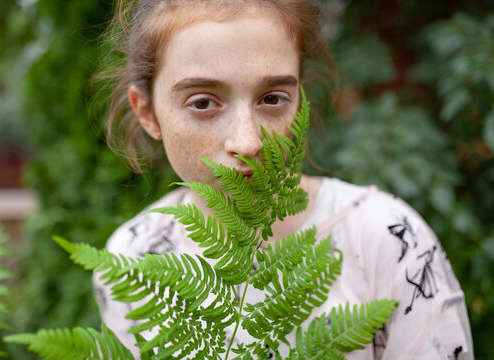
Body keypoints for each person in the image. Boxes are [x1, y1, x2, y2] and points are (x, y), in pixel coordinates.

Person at [92, 1, 473, 359]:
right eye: (203, 102)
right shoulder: (132, 257)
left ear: (301, 99)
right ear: (147, 113)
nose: (248, 141)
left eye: (272, 99)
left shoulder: (385, 239)